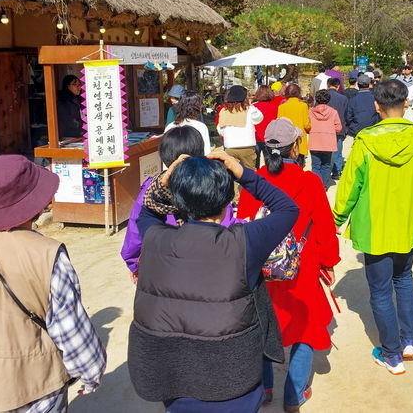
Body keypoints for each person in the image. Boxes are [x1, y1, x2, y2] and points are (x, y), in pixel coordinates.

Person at [128, 151, 299, 412]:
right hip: (233, 378)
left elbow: (146, 212)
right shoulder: (243, 242)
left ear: (178, 200)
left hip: (174, 377)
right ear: (226, 200)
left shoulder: (155, 238)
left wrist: (165, 180)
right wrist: (242, 173)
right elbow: (288, 208)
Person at [0, 155, 106, 411]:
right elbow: (70, 331)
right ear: (35, 204)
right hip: (36, 390)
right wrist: (91, 374)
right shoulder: (49, 255)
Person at [333, 80, 413, 375]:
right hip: (408, 225)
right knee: (404, 278)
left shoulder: (365, 141)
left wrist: (336, 219)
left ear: (377, 106)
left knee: (381, 291)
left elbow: (349, 187)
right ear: (406, 104)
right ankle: (409, 341)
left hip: (374, 228)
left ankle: (391, 354)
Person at [237, 118, 341, 411]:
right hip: (302, 264)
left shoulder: (253, 181)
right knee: (304, 326)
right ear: (295, 148)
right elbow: (323, 225)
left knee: (262, 324)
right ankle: (294, 395)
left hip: (261, 265)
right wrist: (329, 261)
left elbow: (244, 221)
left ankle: (265, 387)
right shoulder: (309, 182)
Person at [122, 126, 240, 284]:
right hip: (209, 263)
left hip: (165, 266)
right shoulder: (212, 184)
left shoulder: (152, 190)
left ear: (164, 156)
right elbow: (227, 222)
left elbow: (136, 228)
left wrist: (134, 264)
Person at [217, 85, 264, 170]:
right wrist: (250, 105)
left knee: (231, 172)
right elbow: (259, 118)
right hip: (247, 148)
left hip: (230, 147)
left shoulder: (224, 111)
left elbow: (220, 130)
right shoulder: (249, 109)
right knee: (250, 172)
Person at [308, 90, 342, 188]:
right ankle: (324, 185)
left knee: (315, 166)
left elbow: (307, 125)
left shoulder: (311, 111)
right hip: (328, 141)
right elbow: (338, 127)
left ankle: (317, 185)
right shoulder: (333, 112)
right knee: (326, 165)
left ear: (316, 99)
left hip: (315, 141)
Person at [164, 90, 211, 155]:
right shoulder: (200, 127)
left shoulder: (170, 126)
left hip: (174, 164)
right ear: (196, 107)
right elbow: (206, 152)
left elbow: (165, 152)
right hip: (194, 164)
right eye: (201, 104)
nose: (202, 107)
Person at [277, 84, 311, 167]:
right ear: (298, 92)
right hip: (299, 140)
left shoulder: (282, 107)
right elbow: (306, 124)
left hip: (286, 141)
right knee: (299, 165)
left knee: (286, 166)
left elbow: (279, 125)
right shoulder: (303, 106)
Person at [252, 85, 280, 169]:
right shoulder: (275, 108)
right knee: (270, 163)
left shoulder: (253, 107)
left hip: (256, 137)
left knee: (255, 163)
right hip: (270, 138)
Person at [345, 74, 379, 138]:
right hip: (372, 129)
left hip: (356, 130)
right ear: (369, 84)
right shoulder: (375, 98)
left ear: (358, 85)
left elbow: (348, 117)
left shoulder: (352, 99)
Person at [327, 77, 348, 179]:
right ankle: (336, 171)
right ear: (338, 86)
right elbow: (346, 114)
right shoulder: (343, 98)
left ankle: (326, 171)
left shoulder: (323, 96)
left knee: (325, 151)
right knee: (338, 151)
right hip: (339, 127)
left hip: (325, 128)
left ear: (328, 85)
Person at [56, 74, 83, 139]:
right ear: (68, 86)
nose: (79, 87)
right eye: (75, 84)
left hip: (79, 134)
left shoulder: (78, 99)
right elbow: (68, 120)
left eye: (79, 85)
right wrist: (82, 124)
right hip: (68, 136)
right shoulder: (63, 101)